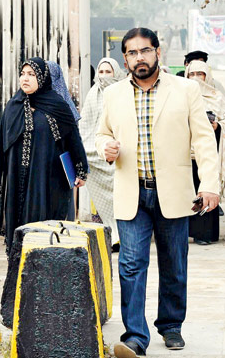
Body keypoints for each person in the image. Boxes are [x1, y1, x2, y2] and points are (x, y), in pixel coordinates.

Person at [96, 28, 220, 357]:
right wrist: (106, 147)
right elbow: (101, 134)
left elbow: (204, 139)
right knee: (131, 265)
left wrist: (210, 184)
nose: (139, 57)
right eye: (132, 53)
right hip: (132, 192)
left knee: (174, 263)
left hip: (174, 192)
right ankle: (135, 337)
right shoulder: (114, 95)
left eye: (145, 51)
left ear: (157, 53)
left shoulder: (185, 89)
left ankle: (171, 324)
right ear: (125, 59)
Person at [0, 57, 88, 249]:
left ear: (42, 78)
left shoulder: (58, 106)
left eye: (31, 74)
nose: (25, 78)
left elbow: (73, 139)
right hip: (17, 177)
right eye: (22, 74)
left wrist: (81, 170)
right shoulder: (13, 105)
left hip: (47, 179)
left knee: (44, 225)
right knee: (18, 222)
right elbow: (0, 140)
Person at [78, 57, 127, 248]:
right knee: (105, 203)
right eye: (101, 72)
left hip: (120, 153)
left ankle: (125, 234)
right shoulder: (93, 93)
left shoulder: (123, 92)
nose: (104, 76)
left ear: (116, 73)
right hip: (96, 152)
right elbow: (86, 124)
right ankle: (114, 235)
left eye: (109, 72)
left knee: (121, 198)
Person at [185, 60, 224, 245]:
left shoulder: (217, 97)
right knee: (191, 191)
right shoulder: (182, 96)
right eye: (191, 74)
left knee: (208, 190)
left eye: (199, 74)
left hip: (209, 153)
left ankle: (207, 234)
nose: (195, 78)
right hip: (187, 153)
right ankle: (193, 232)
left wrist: (217, 126)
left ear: (207, 76)